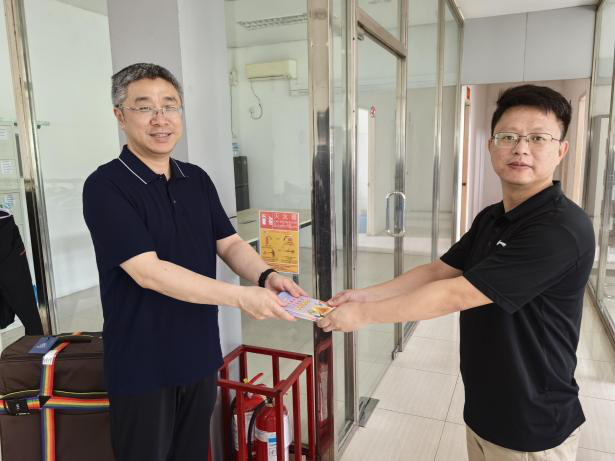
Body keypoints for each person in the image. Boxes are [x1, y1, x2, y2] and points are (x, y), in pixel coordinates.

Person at [318, 84, 594, 461]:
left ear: (561, 150)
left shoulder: (560, 229)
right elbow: (439, 272)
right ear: (490, 145)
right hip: (486, 408)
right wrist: (365, 295)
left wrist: (363, 315)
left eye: (538, 138)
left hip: (533, 424)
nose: (521, 148)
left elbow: (455, 294)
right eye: (508, 136)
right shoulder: (492, 217)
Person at [83, 63, 305, 461]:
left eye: (170, 105)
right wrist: (241, 297)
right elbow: (148, 272)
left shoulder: (196, 179)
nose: (161, 118)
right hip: (142, 363)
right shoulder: (105, 186)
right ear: (120, 116)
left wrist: (266, 275)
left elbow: (230, 243)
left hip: (199, 354)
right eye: (145, 107)